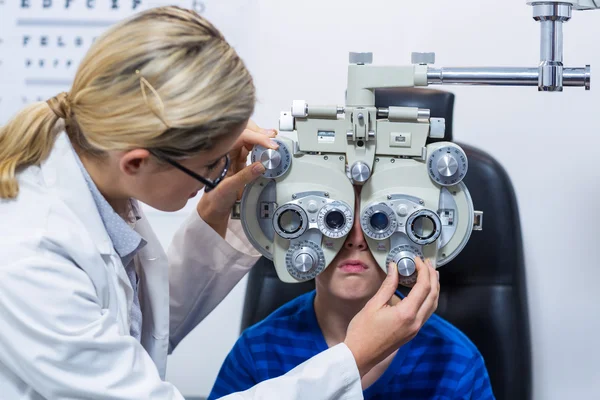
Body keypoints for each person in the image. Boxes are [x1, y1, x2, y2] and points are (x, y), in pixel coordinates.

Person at [0, 6, 440, 400]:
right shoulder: (31, 259)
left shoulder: (99, 181)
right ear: (137, 161)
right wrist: (353, 359)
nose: (216, 178)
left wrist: (219, 215)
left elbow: (141, 326)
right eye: (211, 165)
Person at [209, 186, 495, 400]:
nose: (355, 239)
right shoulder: (258, 351)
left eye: (377, 222)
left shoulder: (455, 360)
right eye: (334, 220)